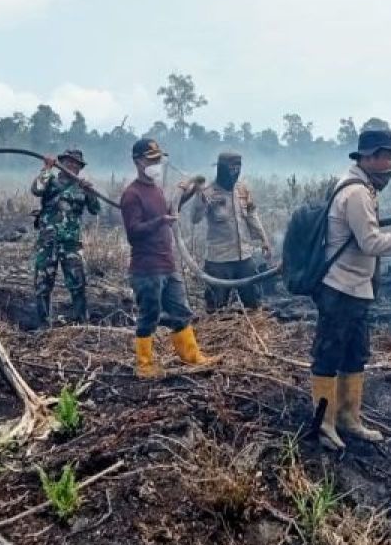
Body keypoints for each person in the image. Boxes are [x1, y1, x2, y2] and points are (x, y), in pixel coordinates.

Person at [311, 125, 391, 450]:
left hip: (356, 287)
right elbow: (370, 242)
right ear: (369, 157)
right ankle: (324, 425)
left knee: (355, 354)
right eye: (387, 159)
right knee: (329, 354)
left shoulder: (364, 189)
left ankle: (349, 418)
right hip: (340, 288)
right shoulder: (355, 193)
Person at [120, 138, 213, 378]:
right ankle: (145, 365)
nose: (156, 164)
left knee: (181, 311)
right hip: (147, 268)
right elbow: (134, 232)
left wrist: (192, 190)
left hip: (168, 264)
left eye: (158, 159)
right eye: (151, 160)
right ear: (138, 162)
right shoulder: (132, 195)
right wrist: (160, 221)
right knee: (149, 315)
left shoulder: (157, 190)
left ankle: (192, 357)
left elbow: (172, 210)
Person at [189, 151, 272, 312]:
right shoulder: (208, 192)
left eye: (237, 169)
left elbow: (252, 215)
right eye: (231, 169)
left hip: (244, 258)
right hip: (219, 261)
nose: (234, 173)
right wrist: (200, 199)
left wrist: (264, 240)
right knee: (216, 308)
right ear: (221, 170)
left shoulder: (242, 190)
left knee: (253, 303)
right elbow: (195, 218)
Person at [31, 148, 100, 326]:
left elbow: (95, 209)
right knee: (43, 284)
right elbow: (36, 190)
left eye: (76, 163)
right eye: (68, 161)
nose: (72, 165)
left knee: (77, 283)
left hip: (71, 244)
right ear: (61, 163)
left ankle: (81, 322)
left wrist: (90, 191)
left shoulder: (82, 187)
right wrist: (46, 168)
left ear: (79, 168)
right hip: (48, 242)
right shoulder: (50, 181)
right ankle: (43, 324)